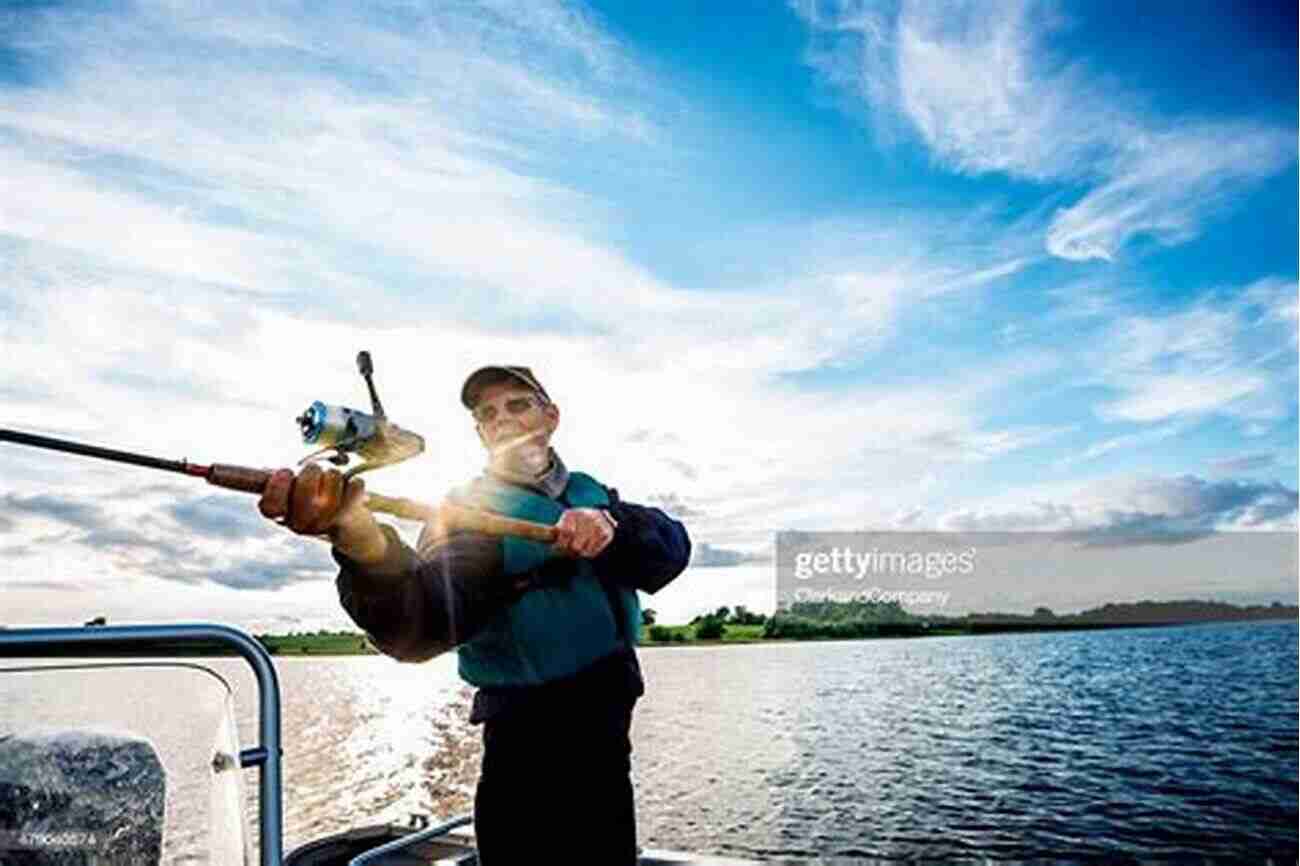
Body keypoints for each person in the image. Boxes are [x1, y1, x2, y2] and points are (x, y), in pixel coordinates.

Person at [256, 365, 691, 864]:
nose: (502, 418)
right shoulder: (462, 516)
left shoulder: (595, 495)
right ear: (481, 434)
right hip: (523, 753)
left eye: (518, 404)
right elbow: (417, 623)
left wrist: (614, 525)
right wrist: (362, 544)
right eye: (487, 413)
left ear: (551, 416)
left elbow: (672, 547)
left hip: (607, 743)